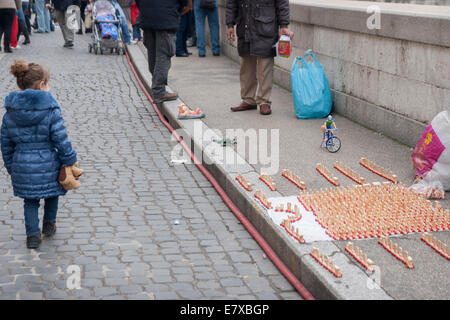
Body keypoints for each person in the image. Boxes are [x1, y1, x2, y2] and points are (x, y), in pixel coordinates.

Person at [1, 59, 78, 249]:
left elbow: (6, 144)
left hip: (22, 163)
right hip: (49, 162)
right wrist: (70, 159)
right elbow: (61, 139)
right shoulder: (51, 110)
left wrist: (12, 166)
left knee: (30, 201)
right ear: (42, 84)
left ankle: (33, 235)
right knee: (52, 194)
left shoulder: (10, 113)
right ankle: (49, 225)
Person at [226, 0, 293, 115]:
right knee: (246, 67)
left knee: (265, 66)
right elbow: (231, 3)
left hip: (266, 26)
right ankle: (248, 99)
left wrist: (284, 25)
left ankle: (264, 101)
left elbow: (282, 3)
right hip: (245, 26)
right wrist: (230, 24)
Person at [136, 0, 187, 103]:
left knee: (153, 53)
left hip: (147, 16)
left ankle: (158, 87)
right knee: (163, 54)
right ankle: (159, 91)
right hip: (165, 17)